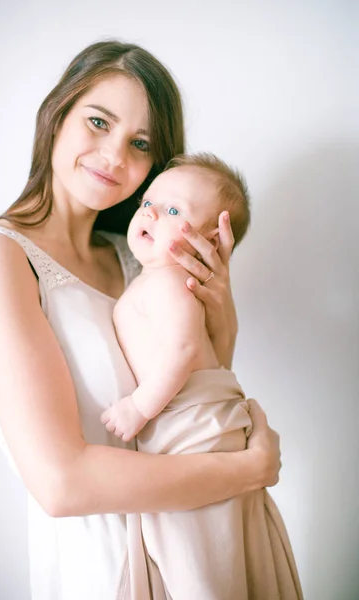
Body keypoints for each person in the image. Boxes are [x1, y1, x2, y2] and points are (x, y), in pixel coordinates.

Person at [0, 41, 282, 600]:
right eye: (98, 121)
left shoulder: (137, 255)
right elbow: (62, 484)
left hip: (192, 545)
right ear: (57, 114)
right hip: (100, 565)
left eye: (139, 144)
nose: (114, 156)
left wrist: (221, 315)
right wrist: (250, 471)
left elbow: (194, 409)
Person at [102, 153, 303, 599]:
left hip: (195, 428)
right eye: (148, 201)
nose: (150, 212)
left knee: (198, 555)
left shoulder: (171, 282)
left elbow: (184, 349)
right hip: (192, 427)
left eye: (173, 210)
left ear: (210, 242)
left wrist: (139, 407)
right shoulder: (153, 278)